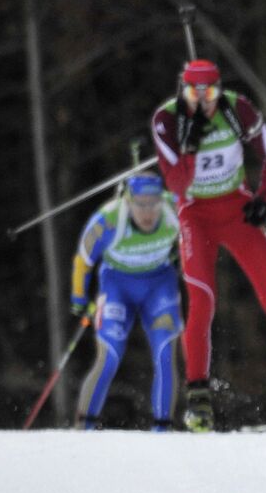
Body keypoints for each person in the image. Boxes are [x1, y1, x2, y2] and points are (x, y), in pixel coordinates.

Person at [151, 58, 266, 431]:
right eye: (193, 92)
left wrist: (263, 198)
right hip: (195, 214)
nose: (202, 101)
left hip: (236, 208)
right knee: (202, 298)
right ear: (181, 90)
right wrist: (189, 145)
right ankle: (198, 399)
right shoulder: (167, 121)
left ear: (220, 89)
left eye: (210, 92)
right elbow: (175, 184)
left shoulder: (238, 108)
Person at [70, 171, 183, 431]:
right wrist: (79, 299)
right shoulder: (108, 221)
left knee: (166, 352)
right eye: (140, 204)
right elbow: (83, 261)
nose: (148, 212)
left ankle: (163, 429)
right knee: (109, 355)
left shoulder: (175, 208)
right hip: (117, 285)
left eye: (153, 203)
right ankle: (83, 428)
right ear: (127, 201)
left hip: (158, 284)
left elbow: (199, 230)